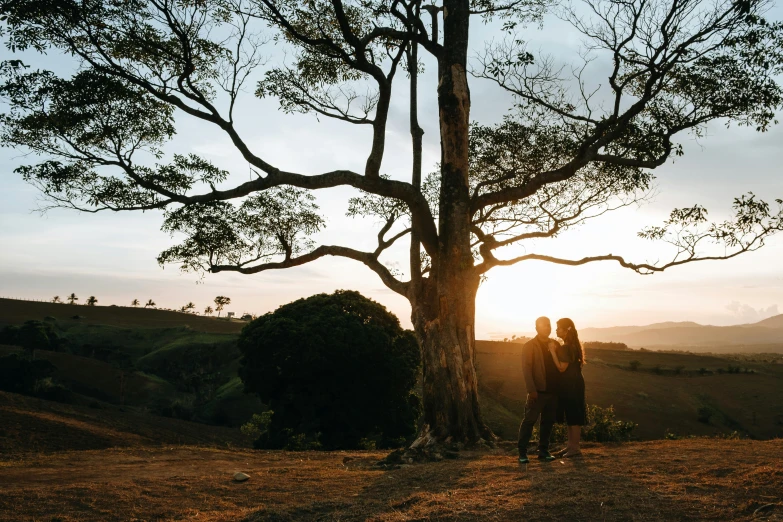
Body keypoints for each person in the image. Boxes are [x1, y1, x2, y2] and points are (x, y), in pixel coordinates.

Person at [517, 316, 559, 463]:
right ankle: (522, 453)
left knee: (548, 422)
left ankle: (543, 451)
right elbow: (526, 369)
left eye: (548, 325)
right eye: (543, 326)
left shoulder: (555, 344)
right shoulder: (529, 346)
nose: (547, 328)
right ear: (537, 328)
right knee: (529, 421)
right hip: (537, 391)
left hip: (553, 391)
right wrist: (531, 389)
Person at [548, 317, 587, 458]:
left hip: (571, 384)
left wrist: (552, 351)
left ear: (565, 330)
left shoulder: (566, 347)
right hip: (575, 383)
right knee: (571, 415)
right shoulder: (573, 345)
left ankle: (575, 448)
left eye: (558, 328)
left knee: (573, 415)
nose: (556, 330)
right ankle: (570, 446)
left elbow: (561, 368)